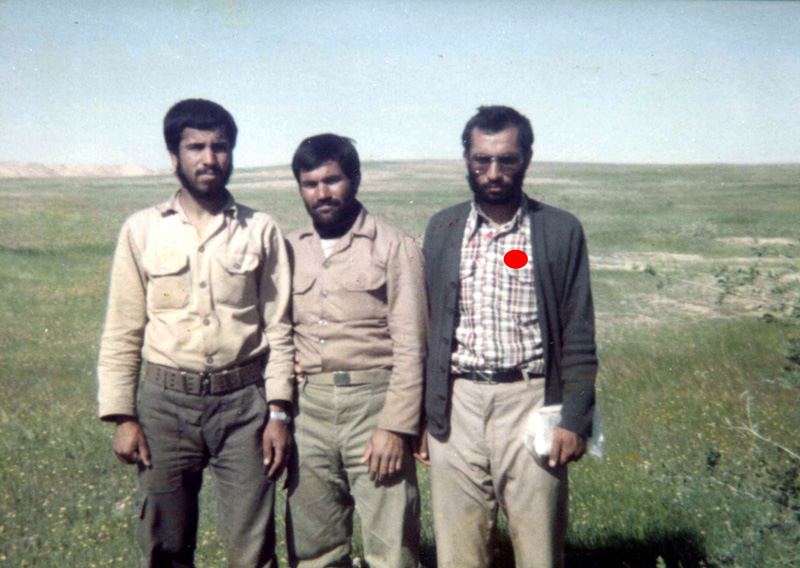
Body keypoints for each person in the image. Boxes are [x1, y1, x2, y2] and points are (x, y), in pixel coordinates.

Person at [96, 98, 294, 568]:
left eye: (220, 147)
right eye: (196, 147)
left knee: (252, 549)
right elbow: (123, 328)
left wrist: (278, 412)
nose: (209, 158)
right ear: (174, 156)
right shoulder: (142, 230)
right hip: (165, 408)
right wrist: (122, 416)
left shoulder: (260, 230)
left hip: (244, 408)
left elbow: (279, 326)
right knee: (166, 546)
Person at [416, 105, 598, 568]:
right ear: (466, 159)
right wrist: (423, 414)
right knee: (459, 554)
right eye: (482, 160)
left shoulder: (559, 230)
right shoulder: (443, 228)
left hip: (532, 403)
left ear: (527, 158)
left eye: (507, 160)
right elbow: (428, 329)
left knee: (539, 552)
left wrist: (575, 418)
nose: (493, 173)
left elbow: (578, 332)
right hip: (457, 407)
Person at [285, 134, 426, 568]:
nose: (322, 193)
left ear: (356, 179)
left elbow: (412, 345)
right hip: (308, 411)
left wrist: (396, 427)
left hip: (374, 406)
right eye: (310, 184)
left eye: (332, 180)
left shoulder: (394, 245)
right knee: (314, 549)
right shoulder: (289, 249)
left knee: (392, 547)